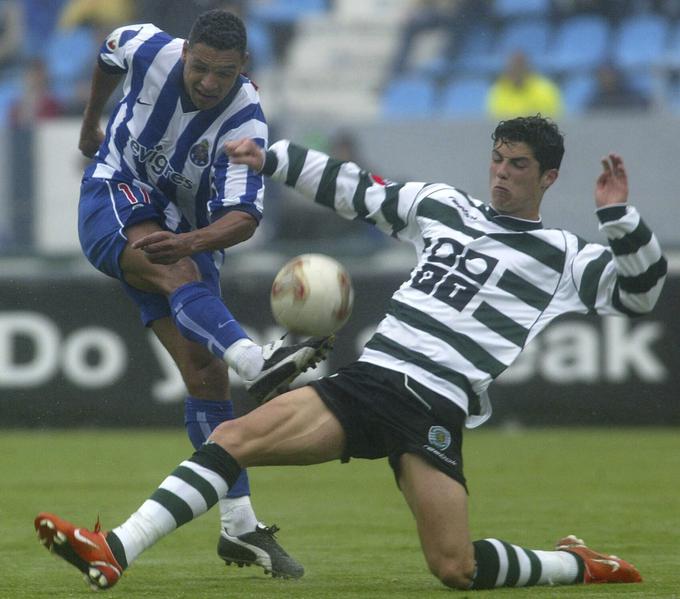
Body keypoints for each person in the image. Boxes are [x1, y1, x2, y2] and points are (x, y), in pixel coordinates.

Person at [35, 115, 667, 591]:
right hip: (371, 380)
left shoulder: (564, 255)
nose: (502, 173)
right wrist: (270, 156)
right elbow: (355, 189)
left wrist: (619, 220)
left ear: (548, 177)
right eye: (498, 159)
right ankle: (113, 548)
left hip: (433, 408)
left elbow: (642, 294)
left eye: (519, 165)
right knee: (233, 437)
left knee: (455, 567)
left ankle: (574, 564)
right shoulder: (443, 207)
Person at [71, 9, 334, 579]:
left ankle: (238, 527)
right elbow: (107, 51)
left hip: (186, 232)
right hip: (113, 190)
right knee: (180, 278)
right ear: (185, 50)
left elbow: (242, 217)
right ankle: (256, 361)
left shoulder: (247, 123)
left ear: (243, 67)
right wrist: (92, 124)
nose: (209, 82)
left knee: (204, 377)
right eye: (200, 67)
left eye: (223, 72)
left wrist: (190, 239)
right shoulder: (149, 47)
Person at [487, 51, 563, 119]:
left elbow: (556, 120)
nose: (517, 71)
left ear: (528, 68)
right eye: (513, 67)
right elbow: (492, 122)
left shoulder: (546, 90)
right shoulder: (498, 91)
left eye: (519, 67)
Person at [586, 62, 651, 112]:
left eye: (608, 74)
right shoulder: (595, 101)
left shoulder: (633, 97)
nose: (606, 78)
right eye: (602, 75)